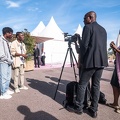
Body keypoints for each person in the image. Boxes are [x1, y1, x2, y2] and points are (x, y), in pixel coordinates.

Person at [73, 11, 108, 118]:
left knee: (82, 84)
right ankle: (94, 109)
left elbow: (84, 47)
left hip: (90, 62)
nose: (83, 21)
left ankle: (78, 107)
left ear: (90, 17)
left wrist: (78, 40)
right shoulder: (103, 29)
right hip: (101, 62)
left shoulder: (88, 27)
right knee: (96, 85)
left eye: (84, 18)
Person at [0, 27, 14, 99]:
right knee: (4, 78)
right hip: (3, 62)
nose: (12, 35)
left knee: (8, 77)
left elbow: (8, 52)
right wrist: (9, 60)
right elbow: (1, 55)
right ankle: (3, 93)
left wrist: (10, 59)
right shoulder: (0, 40)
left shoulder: (6, 41)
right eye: (11, 33)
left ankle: (6, 89)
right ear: (6, 33)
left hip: (8, 62)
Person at [107, 41, 120, 114]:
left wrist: (115, 48)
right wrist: (113, 49)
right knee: (114, 84)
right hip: (117, 67)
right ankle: (115, 103)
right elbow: (117, 54)